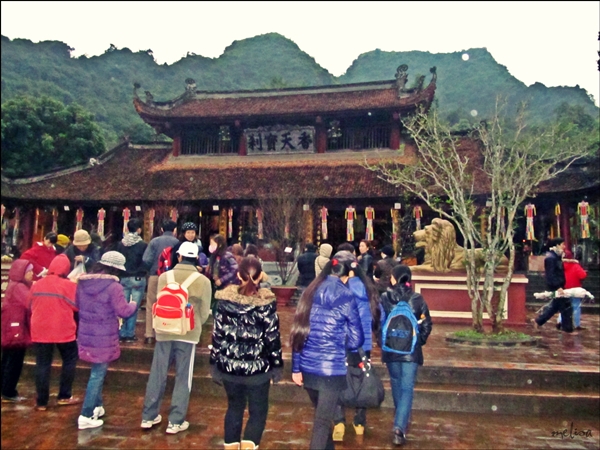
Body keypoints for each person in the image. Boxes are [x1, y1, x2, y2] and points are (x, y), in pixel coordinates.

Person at [290, 251, 364, 450]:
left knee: (323, 417)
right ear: (347, 275)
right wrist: (341, 339)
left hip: (308, 367)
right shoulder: (346, 296)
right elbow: (357, 339)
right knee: (322, 423)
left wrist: (296, 368)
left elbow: (298, 332)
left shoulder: (309, 291)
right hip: (331, 369)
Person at [210, 257, 284, 450]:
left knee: (234, 408)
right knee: (258, 412)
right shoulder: (266, 304)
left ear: (238, 275)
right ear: (261, 276)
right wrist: (277, 365)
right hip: (257, 370)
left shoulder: (224, 302)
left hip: (229, 368)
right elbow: (272, 338)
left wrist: (214, 362)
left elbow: (217, 335)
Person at [141, 242, 212, 434]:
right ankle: (175, 420)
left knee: (157, 373)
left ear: (179, 257)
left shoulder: (165, 277)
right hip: (188, 333)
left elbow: (159, 300)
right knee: (183, 376)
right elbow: (204, 312)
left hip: (164, 330)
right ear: (196, 258)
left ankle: (148, 416)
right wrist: (193, 323)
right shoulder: (203, 281)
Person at [75, 251, 138, 429]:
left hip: (86, 332)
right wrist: (133, 303)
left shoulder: (83, 282)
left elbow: (77, 304)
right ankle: (86, 414)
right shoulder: (114, 287)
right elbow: (123, 311)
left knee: (97, 370)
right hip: (104, 334)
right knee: (98, 373)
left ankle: (97, 406)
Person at [379, 265, 432, 446]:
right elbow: (427, 324)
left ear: (394, 278)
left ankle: (400, 419)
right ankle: (399, 426)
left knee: (396, 382)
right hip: (410, 351)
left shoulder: (385, 298)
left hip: (391, 349)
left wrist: (383, 341)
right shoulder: (417, 299)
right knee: (407, 387)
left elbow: (378, 322)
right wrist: (417, 341)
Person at [332, 251, 381, 442]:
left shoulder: (339, 291)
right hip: (363, 345)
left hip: (342, 343)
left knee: (338, 380)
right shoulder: (369, 289)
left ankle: (339, 422)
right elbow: (379, 315)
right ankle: (359, 422)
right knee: (362, 380)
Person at [28, 254, 79, 410]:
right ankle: (64, 395)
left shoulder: (37, 284)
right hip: (63, 329)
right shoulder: (69, 285)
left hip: (40, 329)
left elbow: (29, 304)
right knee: (69, 360)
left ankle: (41, 402)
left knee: (42, 364)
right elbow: (77, 306)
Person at [1, 260, 34, 403]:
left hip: (10, 328)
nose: (32, 274)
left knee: (7, 359)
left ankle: (5, 389)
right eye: (29, 271)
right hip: (16, 329)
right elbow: (30, 302)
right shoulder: (20, 287)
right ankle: (9, 391)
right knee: (14, 361)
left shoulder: (13, 285)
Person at [141, 220, 178, 345]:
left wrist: (151, 269)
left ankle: (149, 334)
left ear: (162, 229)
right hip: (171, 277)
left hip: (155, 275)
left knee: (151, 304)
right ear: (174, 230)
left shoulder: (154, 241)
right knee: (169, 304)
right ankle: (164, 331)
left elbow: (146, 259)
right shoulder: (177, 243)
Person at [116, 218, 148, 342]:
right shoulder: (143, 245)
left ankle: (122, 332)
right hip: (137, 278)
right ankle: (130, 333)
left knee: (122, 306)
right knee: (134, 306)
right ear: (139, 230)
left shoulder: (121, 244)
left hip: (123, 277)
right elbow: (146, 261)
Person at [532, 238, 573, 333]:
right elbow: (550, 275)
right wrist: (557, 287)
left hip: (560, 286)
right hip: (556, 287)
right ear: (557, 245)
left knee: (556, 306)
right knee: (565, 306)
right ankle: (567, 329)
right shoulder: (551, 258)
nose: (564, 246)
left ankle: (539, 321)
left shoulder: (556, 256)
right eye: (562, 244)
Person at [207, 234, 239, 314]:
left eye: (213, 244)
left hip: (227, 286)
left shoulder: (227, 256)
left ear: (220, 244)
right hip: (216, 284)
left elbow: (235, 269)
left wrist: (222, 280)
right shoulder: (213, 256)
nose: (211, 246)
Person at [560, 249, 588, 331]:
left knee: (563, 306)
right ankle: (576, 324)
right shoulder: (575, 265)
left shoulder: (559, 265)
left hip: (563, 288)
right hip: (575, 288)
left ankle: (560, 321)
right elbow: (583, 275)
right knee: (576, 306)